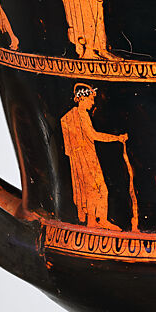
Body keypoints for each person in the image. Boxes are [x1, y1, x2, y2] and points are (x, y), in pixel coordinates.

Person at [59, 84, 128, 229]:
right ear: (82, 98)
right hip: (85, 156)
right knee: (99, 189)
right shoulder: (81, 115)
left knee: (92, 189)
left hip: (83, 156)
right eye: (90, 99)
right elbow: (93, 135)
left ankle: (93, 221)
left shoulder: (74, 115)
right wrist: (117, 138)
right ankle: (99, 220)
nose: (92, 102)